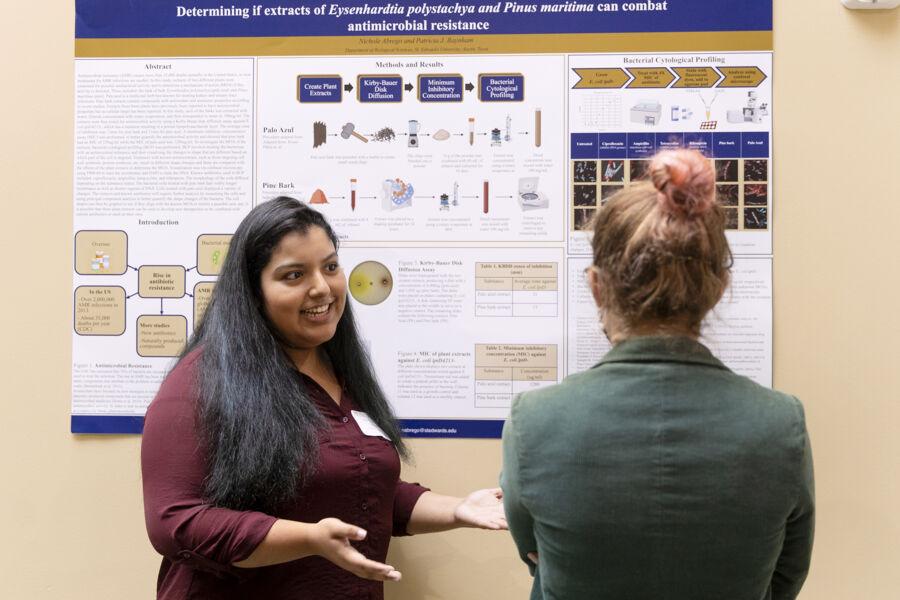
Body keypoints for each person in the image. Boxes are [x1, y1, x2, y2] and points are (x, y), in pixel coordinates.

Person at [141, 197, 506, 599]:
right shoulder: (199, 381)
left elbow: (360, 487)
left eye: (330, 267)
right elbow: (174, 522)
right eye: (294, 275)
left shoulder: (337, 367)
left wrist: (458, 510)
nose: (322, 287)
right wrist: (309, 538)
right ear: (253, 290)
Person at [501, 150, 814, 600]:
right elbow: (785, 578)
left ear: (596, 285)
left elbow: (534, 552)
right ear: (718, 288)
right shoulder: (781, 422)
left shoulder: (533, 419)